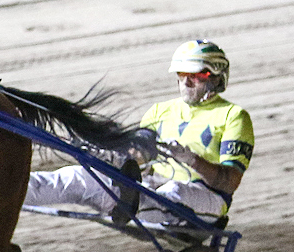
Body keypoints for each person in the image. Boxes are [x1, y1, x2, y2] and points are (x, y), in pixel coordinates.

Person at [26, 40, 253, 226]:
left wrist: (193, 160)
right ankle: (8, 191)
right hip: (151, 188)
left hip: (206, 199)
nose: (186, 81)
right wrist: (105, 155)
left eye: (196, 75)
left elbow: (230, 183)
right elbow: (138, 159)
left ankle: (128, 206)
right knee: (78, 177)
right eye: (182, 73)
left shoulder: (234, 116)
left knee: (172, 191)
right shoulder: (159, 111)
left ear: (216, 77)